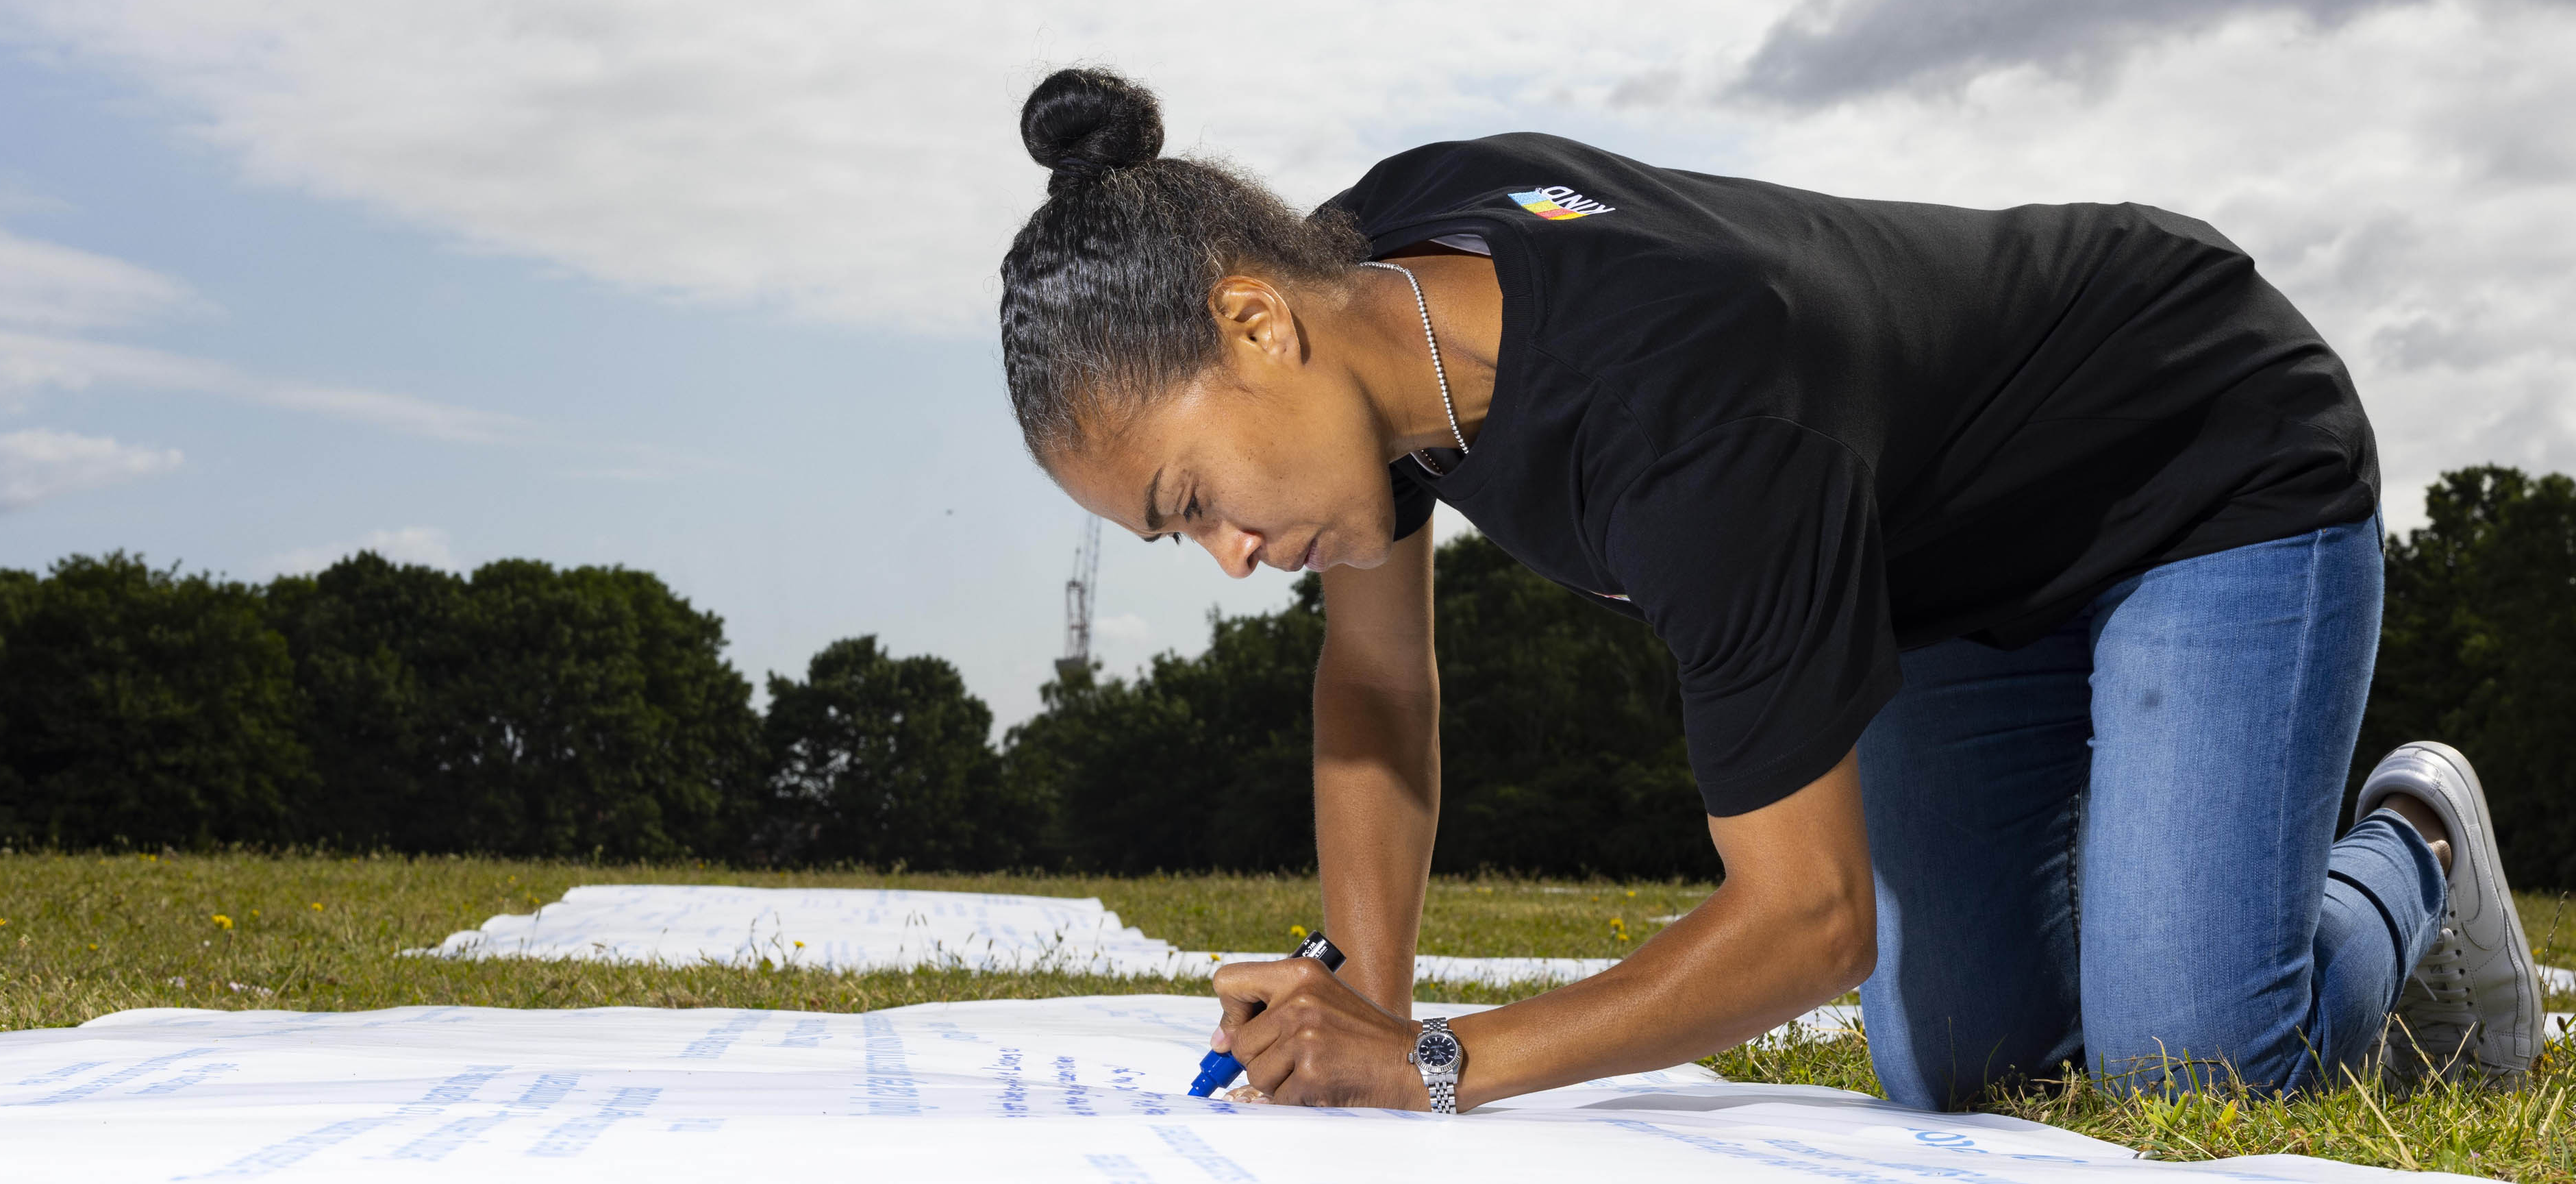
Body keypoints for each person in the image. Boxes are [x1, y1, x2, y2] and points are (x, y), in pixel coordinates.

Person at [995, 66, 2546, 1114]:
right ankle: (2170, 888)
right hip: (1943, 569)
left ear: (1255, 323)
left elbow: (1807, 921)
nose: (1228, 555)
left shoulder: (1687, 426)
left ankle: (2415, 842)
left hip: (2200, 450)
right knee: (1962, 1072)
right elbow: (1380, 682)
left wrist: (1434, 1062)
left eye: (1191, 500)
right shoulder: (1370, 299)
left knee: (2191, 1066)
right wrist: (1365, 1000)